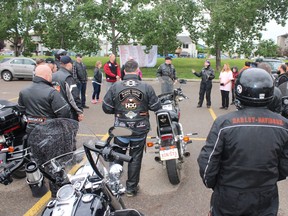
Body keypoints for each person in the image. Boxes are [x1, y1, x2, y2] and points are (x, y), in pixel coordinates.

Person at [197, 68, 288, 216]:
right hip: (266, 196)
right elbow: (285, 166)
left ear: (240, 91)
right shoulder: (283, 125)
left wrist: (215, 185)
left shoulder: (224, 123)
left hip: (230, 196)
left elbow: (208, 164)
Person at [102, 59, 161, 197]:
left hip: (121, 128)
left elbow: (106, 107)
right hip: (139, 129)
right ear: (137, 70)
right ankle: (131, 188)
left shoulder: (115, 86)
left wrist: (119, 111)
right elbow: (156, 107)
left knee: (118, 156)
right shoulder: (146, 86)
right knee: (135, 158)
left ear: (123, 71)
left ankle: (114, 186)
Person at [18, 65, 71, 135]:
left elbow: (21, 110)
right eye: (51, 74)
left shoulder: (23, 91)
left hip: (31, 131)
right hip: (49, 132)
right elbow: (64, 112)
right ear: (47, 76)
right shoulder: (52, 92)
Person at [52, 56, 84, 122]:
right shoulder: (68, 78)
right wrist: (79, 111)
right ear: (69, 64)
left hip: (54, 110)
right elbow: (73, 97)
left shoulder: (52, 76)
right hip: (68, 112)